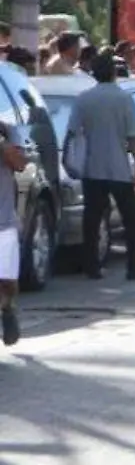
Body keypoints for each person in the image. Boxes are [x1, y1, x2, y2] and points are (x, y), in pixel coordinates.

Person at [66, 53, 135, 281]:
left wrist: (69, 160)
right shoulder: (125, 99)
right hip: (119, 168)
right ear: (114, 73)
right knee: (131, 219)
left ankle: (91, 266)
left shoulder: (84, 99)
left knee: (92, 218)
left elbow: (72, 132)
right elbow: (132, 137)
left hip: (92, 166)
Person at [0, 121, 28, 345]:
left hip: (3, 223)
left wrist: (4, 143)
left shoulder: (6, 132)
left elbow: (20, 164)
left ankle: (7, 308)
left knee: (7, 280)